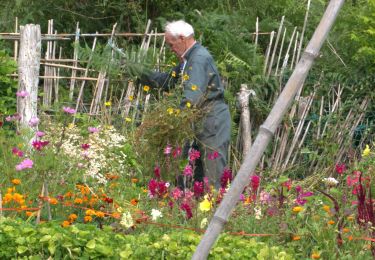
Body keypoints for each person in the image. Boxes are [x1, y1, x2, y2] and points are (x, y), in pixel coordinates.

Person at [141, 20, 231, 190]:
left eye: (171, 44)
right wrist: (140, 72)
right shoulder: (188, 59)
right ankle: (201, 211)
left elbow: (192, 97)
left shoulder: (198, 59)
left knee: (213, 176)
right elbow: (168, 81)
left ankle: (217, 213)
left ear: (182, 38)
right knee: (198, 175)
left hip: (212, 120)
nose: (171, 49)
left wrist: (173, 119)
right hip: (201, 119)